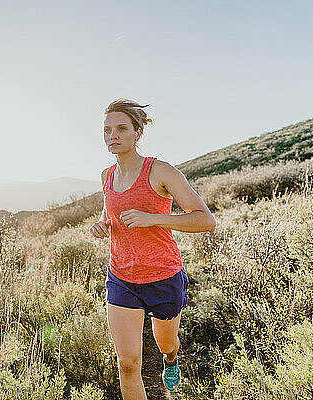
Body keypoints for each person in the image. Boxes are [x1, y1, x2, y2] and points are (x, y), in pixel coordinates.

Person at [89, 99, 216, 399]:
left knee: (167, 345)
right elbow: (111, 215)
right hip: (121, 278)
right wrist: (101, 224)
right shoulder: (106, 176)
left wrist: (153, 219)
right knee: (127, 363)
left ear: (137, 133)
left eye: (121, 129)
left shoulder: (161, 172)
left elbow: (206, 220)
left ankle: (170, 362)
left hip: (162, 276)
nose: (112, 136)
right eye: (107, 130)